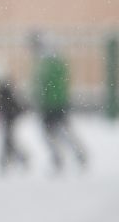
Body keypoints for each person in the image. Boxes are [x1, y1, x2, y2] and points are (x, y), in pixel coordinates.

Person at [30, 33, 89, 174]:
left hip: (49, 105)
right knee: (62, 131)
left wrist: (40, 99)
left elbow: (42, 86)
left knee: (50, 133)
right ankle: (77, 153)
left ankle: (59, 157)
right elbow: (63, 82)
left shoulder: (44, 64)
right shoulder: (59, 62)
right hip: (60, 103)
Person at [0, 57, 29, 174]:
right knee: (8, 139)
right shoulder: (6, 86)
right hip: (11, 116)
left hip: (10, 116)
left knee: (8, 139)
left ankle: (10, 159)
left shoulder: (3, 88)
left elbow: (3, 104)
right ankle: (14, 159)